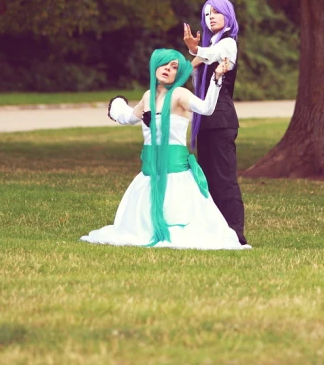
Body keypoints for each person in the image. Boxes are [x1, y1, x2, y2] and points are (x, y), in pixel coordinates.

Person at [80, 48, 247, 250]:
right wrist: (117, 106)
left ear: (179, 74)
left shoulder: (179, 94)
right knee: (135, 229)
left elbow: (206, 108)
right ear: (155, 66)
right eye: (164, 64)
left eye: (174, 67)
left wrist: (217, 77)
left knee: (180, 225)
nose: (168, 68)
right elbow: (129, 117)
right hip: (150, 174)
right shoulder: (148, 96)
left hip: (176, 176)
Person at [183, 0, 248, 246]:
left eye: (215, 13)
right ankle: (214, 229)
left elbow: (210, 55)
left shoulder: (227, 43)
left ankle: (235, 232)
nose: (210, 17)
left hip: (221, 120)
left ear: (227, 15)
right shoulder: (212, 45)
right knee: (207, 178)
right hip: (206, 120)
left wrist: (195, 50)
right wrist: (195, 61)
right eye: (207, 14)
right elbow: (197, 73)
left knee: (224, 178)